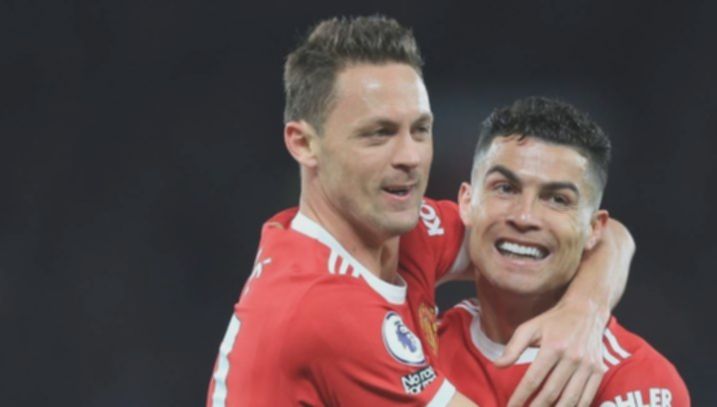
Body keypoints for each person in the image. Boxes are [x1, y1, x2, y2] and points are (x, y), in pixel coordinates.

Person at [207, 16, 633, 406]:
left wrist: (583, 311)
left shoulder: (403, 233)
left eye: (420, 130)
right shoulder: (323, 304)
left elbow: (600, 237)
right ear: (303, 144)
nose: (410, 157)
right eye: (379, 134)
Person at [436, 97, 689, 406]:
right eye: (505, 188)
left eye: (557, 199)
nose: (525, 217)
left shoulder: (637, 381)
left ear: (594, 229)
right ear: (466, 202)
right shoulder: (416, 347)